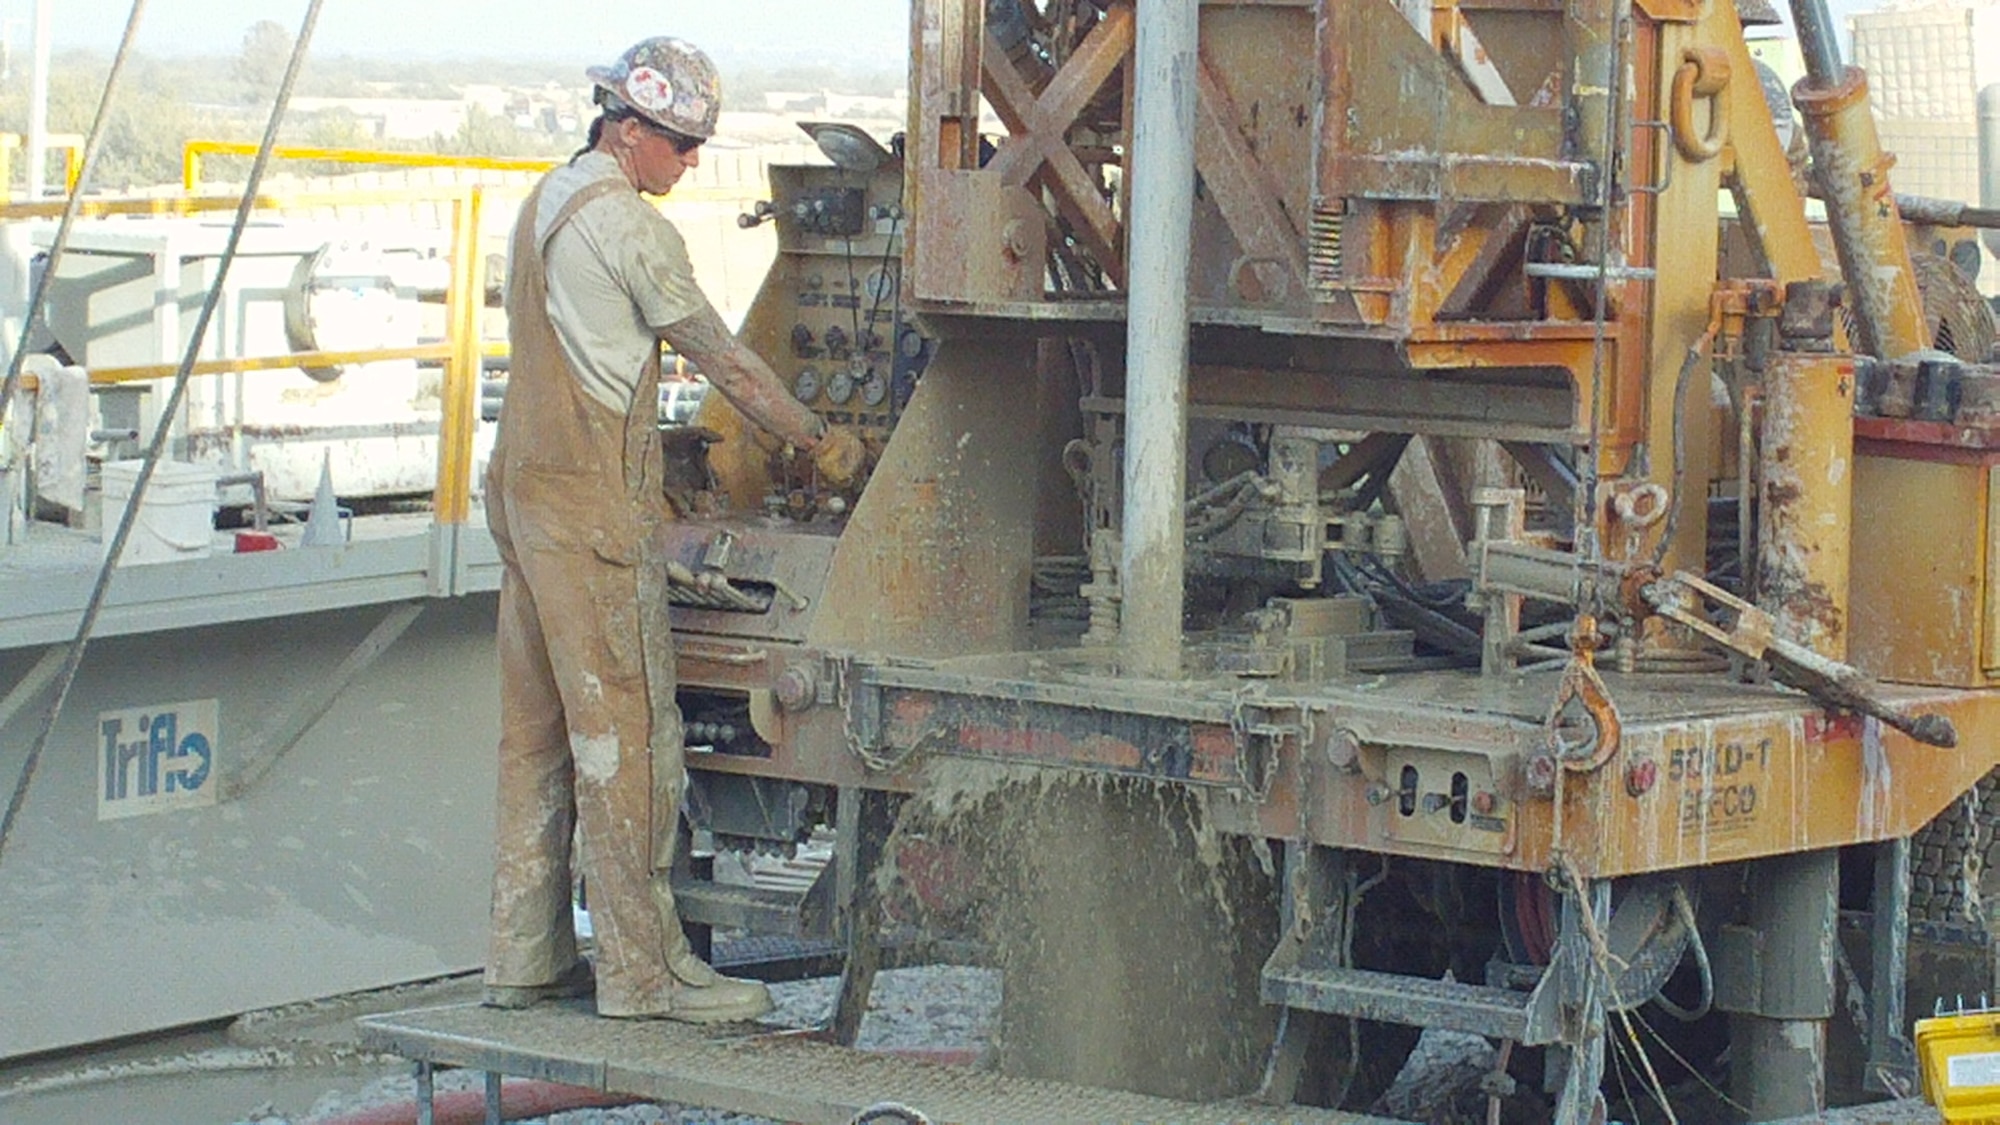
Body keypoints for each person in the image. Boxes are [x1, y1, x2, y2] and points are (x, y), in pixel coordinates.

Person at [481, 36, 865, 1023]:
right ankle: (642, 974)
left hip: (521, 497)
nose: (691, 164)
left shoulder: (546, 201)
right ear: (631, 130)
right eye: (683, 145)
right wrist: (821, 443)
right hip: (589, 507)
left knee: (536, 737)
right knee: (631, 737)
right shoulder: (632, 232)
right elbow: (729, 368)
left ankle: (522, 957)